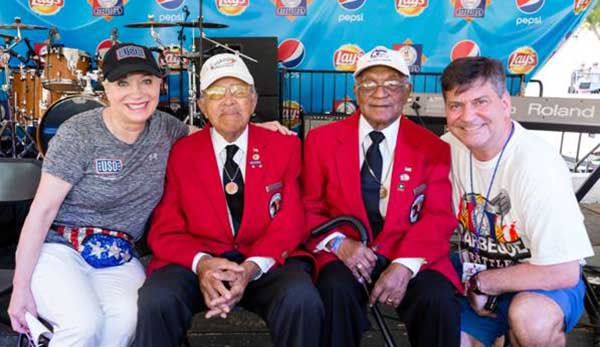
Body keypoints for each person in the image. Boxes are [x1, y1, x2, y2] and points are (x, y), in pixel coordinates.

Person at [7, 43, 290, 346]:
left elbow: (218, 132)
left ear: (159, 85)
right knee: (82, 324)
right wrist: (20, 287)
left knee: (127, 321)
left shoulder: (165, 128)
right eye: (123, 83)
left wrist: (258, 128)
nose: (137, 93)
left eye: (146, 81)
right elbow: (42, 212)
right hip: (63, 248)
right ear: (106, 88)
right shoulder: (79, 132)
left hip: (119, 254)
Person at [134, 53, 323, 347]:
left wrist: (250, 268)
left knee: (301, 299)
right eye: (217, 93)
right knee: (157, 299)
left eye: (238, 91)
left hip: (262, 260)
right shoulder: (183, 152)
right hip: (202, 260)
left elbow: (292, 218)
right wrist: (203, 264)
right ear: (202, 107)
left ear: (254, 101)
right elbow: (166, 227)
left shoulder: (284, 146)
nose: (229, 100)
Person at [302, 45, 461, 347]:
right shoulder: (320, 141)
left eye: (391, 83)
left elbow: (438, 216)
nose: (380, 92)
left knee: (437, 298)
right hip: (346, 254)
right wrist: (339, 243)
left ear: (407, 90)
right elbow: (308, 206)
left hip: (410, 252)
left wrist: (404, 265)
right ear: (356, 90)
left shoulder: (434, 148)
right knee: (333, 289)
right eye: (370, 83)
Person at [441, 56, 594, 347]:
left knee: (530, 318)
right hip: (477, 269)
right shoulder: (448, 146)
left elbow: (564, 271)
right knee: (439, 324)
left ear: (505, 103)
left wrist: (482, 283)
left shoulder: (537, 164)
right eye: (456, 105)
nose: (468, 116)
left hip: (542, 281)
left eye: (480, 101)